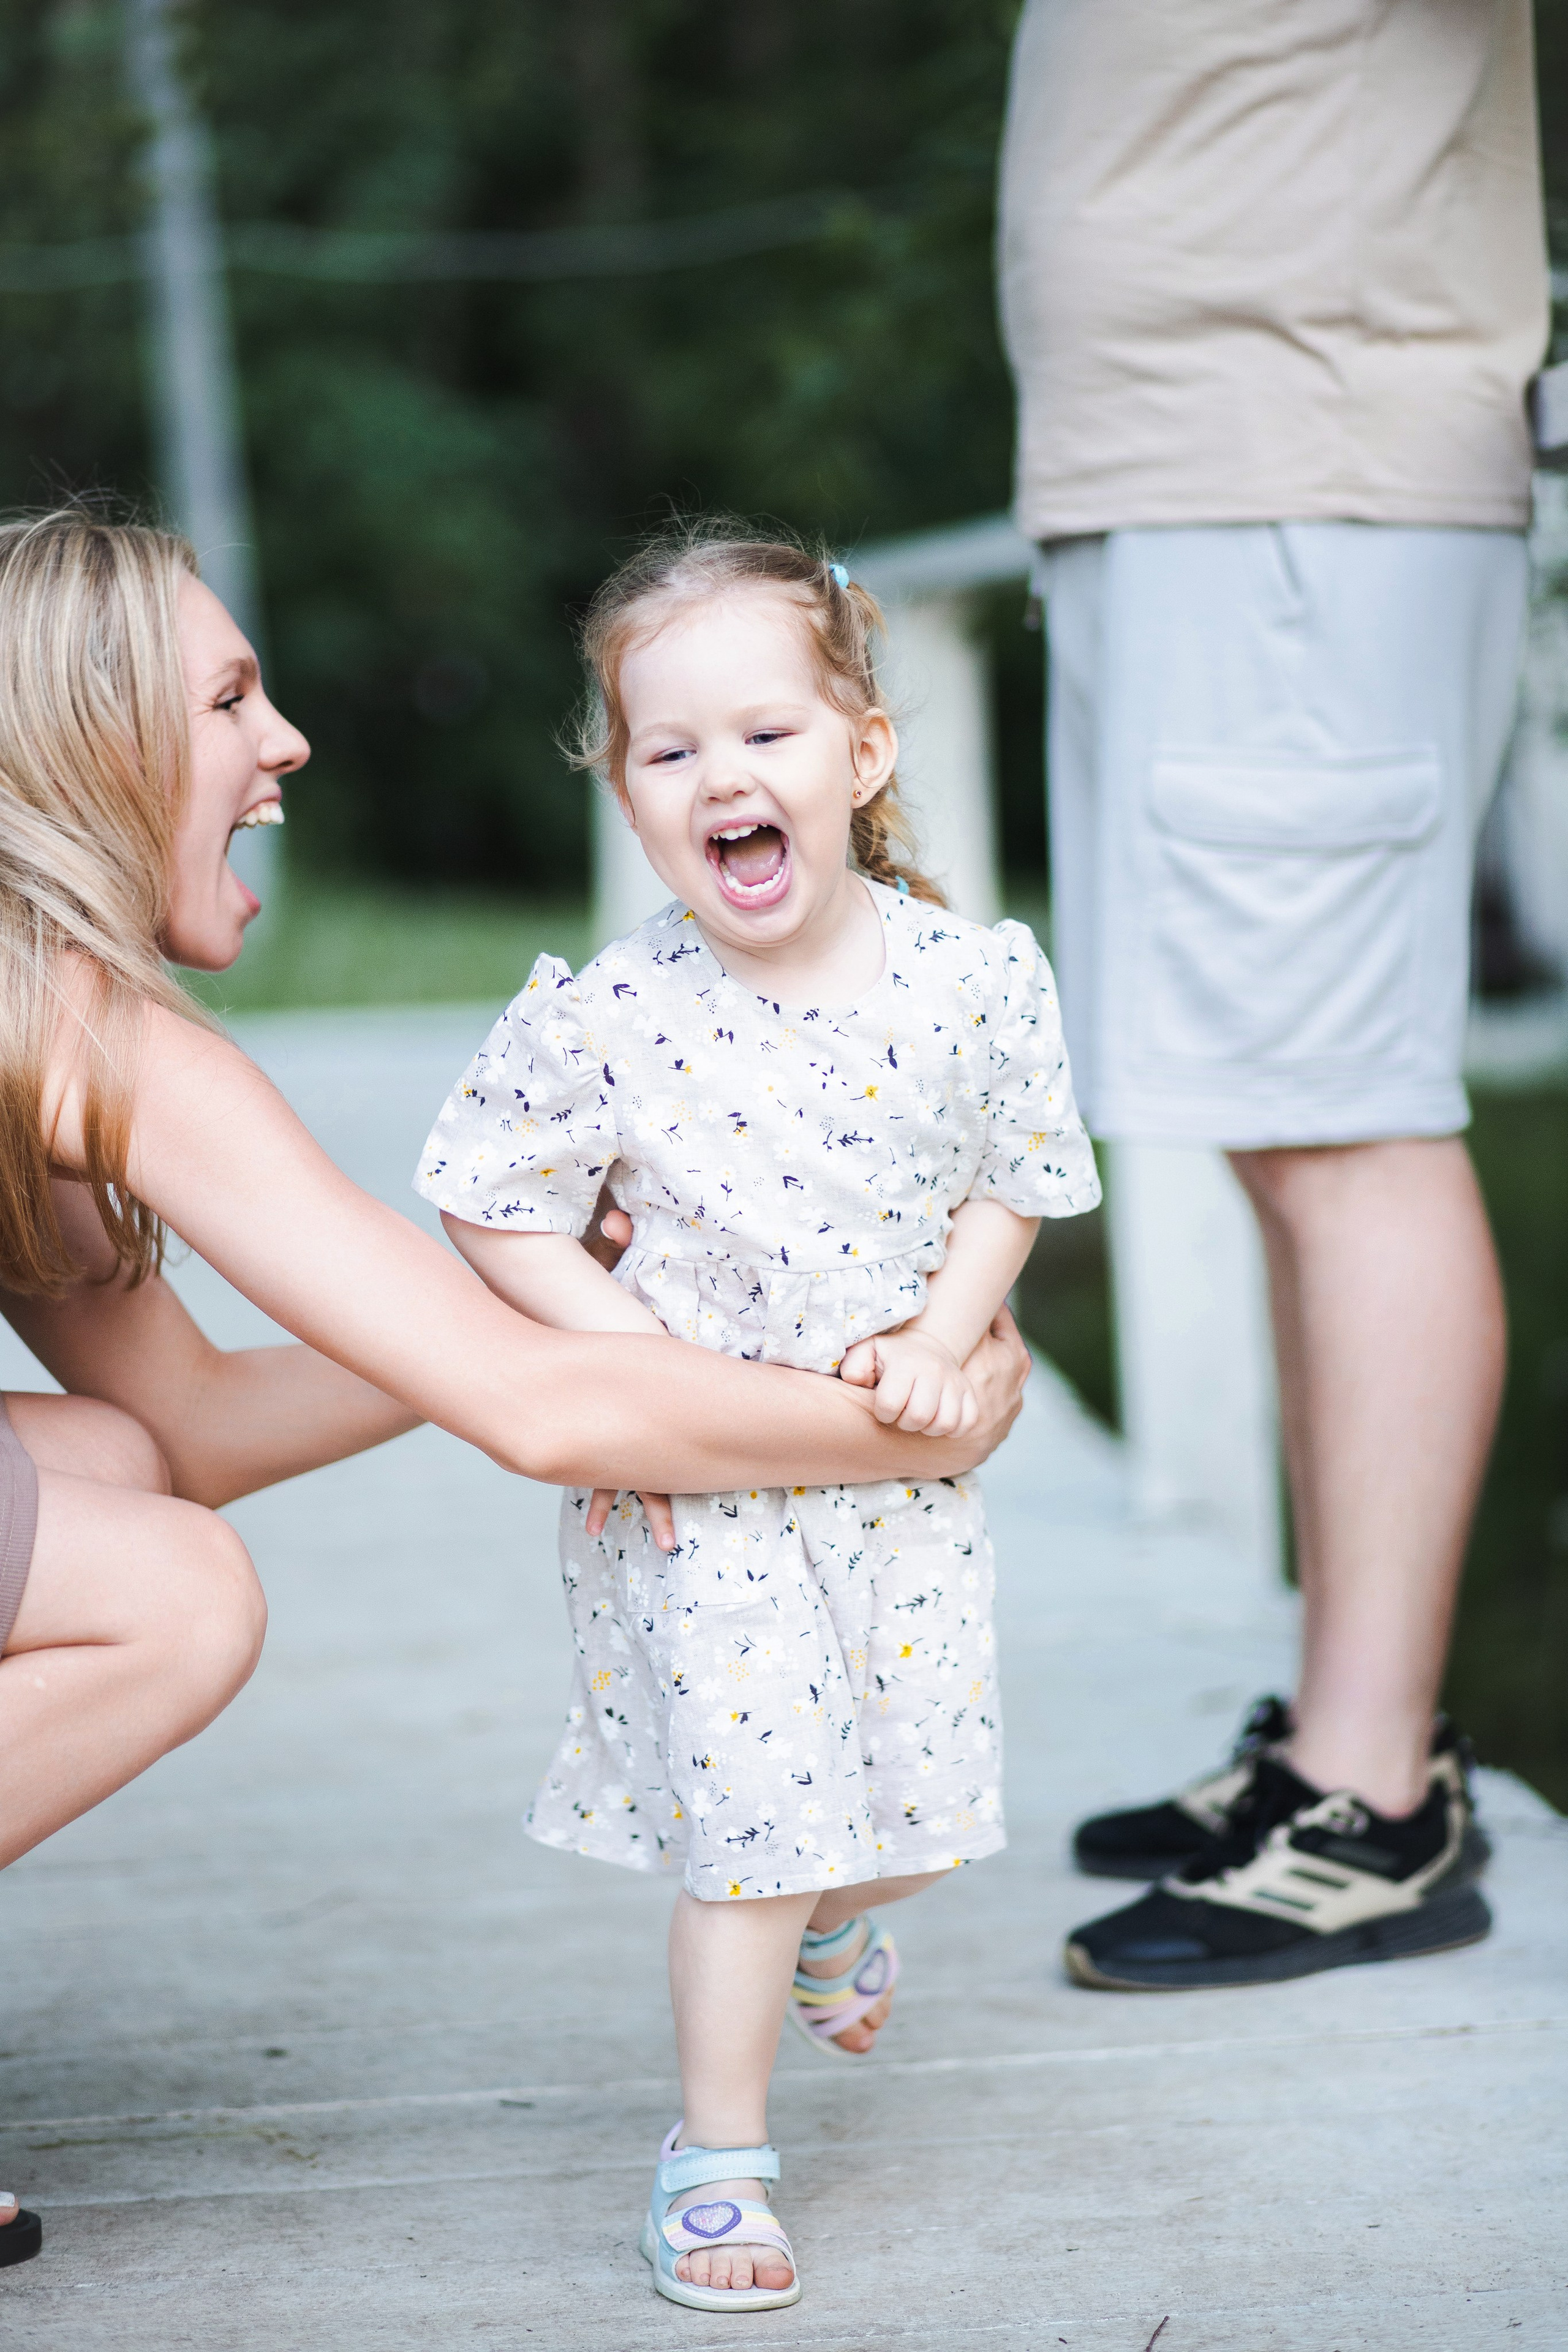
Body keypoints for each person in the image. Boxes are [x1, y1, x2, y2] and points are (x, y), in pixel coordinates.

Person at [0, 507, 1033, 2265]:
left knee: (103, 1459)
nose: (285, 743)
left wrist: (554, 1302)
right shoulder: (79, 1023)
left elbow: (181, 1425)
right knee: (168, 1593)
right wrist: (919, 1414)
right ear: (91, 746)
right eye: (231, 701)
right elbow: (546, 1418)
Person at [415, 524, 1100, 2312]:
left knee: (924, 1817)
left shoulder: (971, 978)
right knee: (760, 1830)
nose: (724, 774)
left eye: (768, 734)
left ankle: (851, 1916)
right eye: (670, 749)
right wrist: (624, 1362)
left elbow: (1015, 1171)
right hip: (700, 1490)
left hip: (889, 1476)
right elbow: (489, 1196)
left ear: (861, 756)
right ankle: (716, 2163)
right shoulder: (613, 1017)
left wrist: (957, 1335)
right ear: (629, 795)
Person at [997, 0, 1547, 1988]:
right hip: (1199, 469)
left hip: (1305, 459)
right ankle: (1342, 1736)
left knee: (1347, 1118)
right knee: (1276, 1115)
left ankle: (1375, 1800)